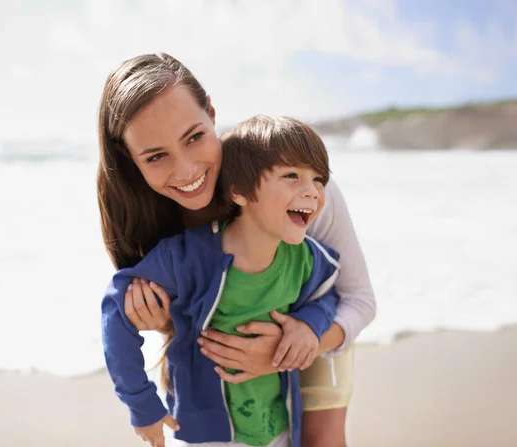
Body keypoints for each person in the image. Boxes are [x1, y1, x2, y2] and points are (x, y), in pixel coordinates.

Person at [97, 53, 376, 447]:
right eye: (156, 156)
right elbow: (171, 313)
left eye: (194, 137)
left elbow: (358, 300)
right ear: (131, 157)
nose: (187, 170)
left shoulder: (299, 193)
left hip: (310, 340)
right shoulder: (147, 217)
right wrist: (155, 320)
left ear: (211, 113)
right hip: (222, 375)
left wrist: (291, 346)